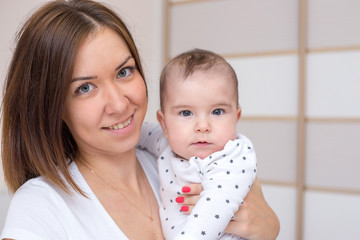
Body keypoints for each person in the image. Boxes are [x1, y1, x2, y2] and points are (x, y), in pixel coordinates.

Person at [0, 0, 279, 239]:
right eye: (85, 88)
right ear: (53, 106)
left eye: (124, 72)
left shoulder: (180, 157)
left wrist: (269, 228)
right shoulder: (40, 207)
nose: (120, 103)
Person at [137, 49, 257, 239]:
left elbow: (212, 214)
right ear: (164, 124)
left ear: (236, 117)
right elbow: (137, 133)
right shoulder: (166, 144)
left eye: (217, 112)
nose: (203, 126)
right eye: (186, 113)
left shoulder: (231, 159)